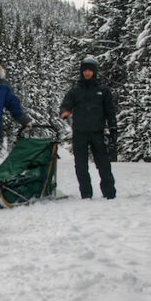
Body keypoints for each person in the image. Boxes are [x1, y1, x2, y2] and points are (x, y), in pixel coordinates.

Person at [59, 55, 117, 199]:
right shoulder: (75, 91)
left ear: (95, 72)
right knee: (81, 166)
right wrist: (64, 112)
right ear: (81, 72)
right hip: (80, 133)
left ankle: (109, 194)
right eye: (85, 70)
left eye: (90, 70)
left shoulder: (103, 91)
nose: (87, 73)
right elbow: (66, 104)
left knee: (103, 165)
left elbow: (110, 111)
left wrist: (113, 128)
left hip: (97, 132)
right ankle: (86, 194)